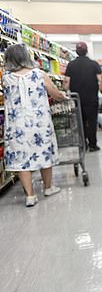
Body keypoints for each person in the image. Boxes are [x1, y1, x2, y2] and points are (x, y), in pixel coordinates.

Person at [2, 44, 66, 207]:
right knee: (43, 151)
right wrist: (62, 96)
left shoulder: (6, 78)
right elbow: (55, 94)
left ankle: (30, 195)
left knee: (21, 156)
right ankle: (48, 187)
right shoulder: (39, 74)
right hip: (39, 122)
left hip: (17, 125)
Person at [63, 42, 102, 151]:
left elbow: (66, 82)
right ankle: (93, 145)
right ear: (87, 51)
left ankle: (83, 144)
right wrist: (101, 91)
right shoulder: (94, 64)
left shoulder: (71, 65)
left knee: (80, 121)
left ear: (76, 51)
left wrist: (64, 92)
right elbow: (101, 80)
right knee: (92, 121)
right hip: (91, 98)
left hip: (77, 99)